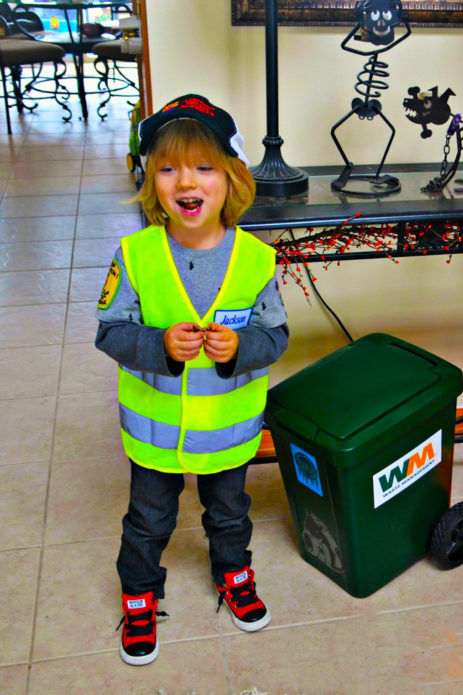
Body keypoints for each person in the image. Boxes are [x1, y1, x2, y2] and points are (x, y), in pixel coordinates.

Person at [95, 94, 288, 666]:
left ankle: (233, 573)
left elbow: (275, 337)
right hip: (154, 435)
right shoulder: (135, 255)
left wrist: (240, 348)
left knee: (229, 512)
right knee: (148, 518)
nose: (187, 182)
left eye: (204, 167)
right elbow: (109, 331)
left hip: (227, 432)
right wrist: (155, 346)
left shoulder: (257, 260)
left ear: (231, 178)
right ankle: (138, 593)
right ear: (151, 180)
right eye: (169, 167)